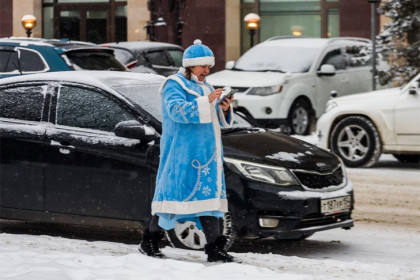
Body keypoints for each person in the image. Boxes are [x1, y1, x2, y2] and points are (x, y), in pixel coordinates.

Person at [138, 39, 235, 262]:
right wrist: (205, 101)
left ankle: (214, 249)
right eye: (203, 66)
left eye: (209, 67)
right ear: (190, 65)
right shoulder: (174, 84)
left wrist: (223, 108)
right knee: (171, 201)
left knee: (209, 203)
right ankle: (149, 241)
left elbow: (212, 119)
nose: (207, 71)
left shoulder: (206, 87)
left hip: (207, 157)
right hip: (182, 155)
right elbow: (175, 111)